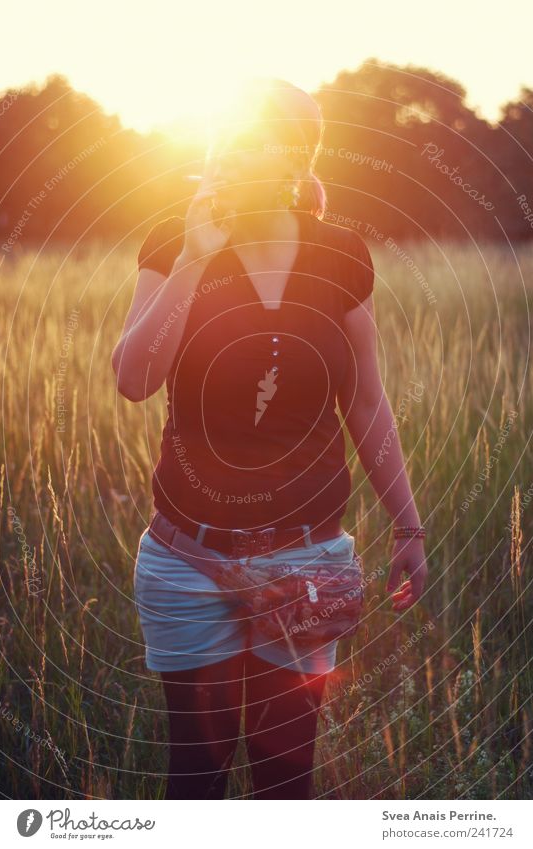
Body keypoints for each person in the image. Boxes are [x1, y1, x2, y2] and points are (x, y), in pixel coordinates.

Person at [111, 77, 428, 799]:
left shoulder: (340, 255)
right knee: (195, 776)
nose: (240, 157)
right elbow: (134, 378)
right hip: (186, 560)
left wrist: (407, 520)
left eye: (262, 143)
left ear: (296, 160)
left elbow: (367, 401)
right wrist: (194, 256)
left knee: (288, 778)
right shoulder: (175, 241)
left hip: (308, 555)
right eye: (232, 141)